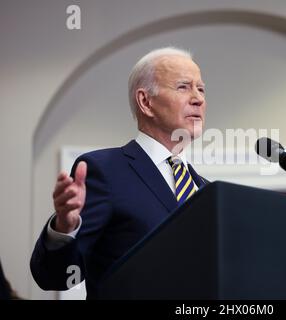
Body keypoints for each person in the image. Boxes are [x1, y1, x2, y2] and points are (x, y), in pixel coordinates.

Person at [30, 47, 209, 299]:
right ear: (145, 102)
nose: (198, 99)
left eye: (201, 89)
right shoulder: (105, 170)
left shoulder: (205, 190)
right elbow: (54, 275)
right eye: (183, 87)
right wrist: (64, 228)